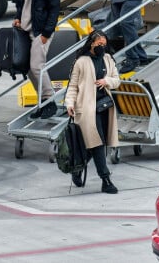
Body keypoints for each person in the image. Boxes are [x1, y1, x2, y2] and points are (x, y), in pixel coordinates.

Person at [65, 30, 121, 194]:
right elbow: (73, 86)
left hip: (104, 107)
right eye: (98, 44)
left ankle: (77, 169)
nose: (102, 47)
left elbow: (117, 80)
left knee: (95, 143)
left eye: (104, 44)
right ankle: (106, 179)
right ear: (91, 44)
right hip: (87, 109)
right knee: (97, 143)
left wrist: (106, 81)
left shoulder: (108, 59)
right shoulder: (81, 62)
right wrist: (69, 103)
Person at [13, 0, 60, 119]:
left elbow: (54, 10)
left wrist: (47, 33)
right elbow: (20, 5)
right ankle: (42, 102)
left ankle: (50, 101)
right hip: (25, 30)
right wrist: (18, 18)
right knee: (28, 68)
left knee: (37, 66)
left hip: (41, 32)